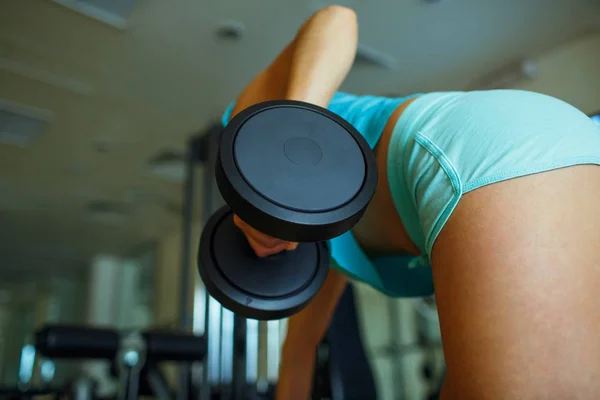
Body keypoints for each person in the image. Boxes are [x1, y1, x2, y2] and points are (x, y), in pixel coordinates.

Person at [221, 5, 600, 399]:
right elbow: (296, 358)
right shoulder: (326, 254)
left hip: (491, 149)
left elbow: (336, 18)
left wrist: (285, 162)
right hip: (568, 155)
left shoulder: (248, 127)